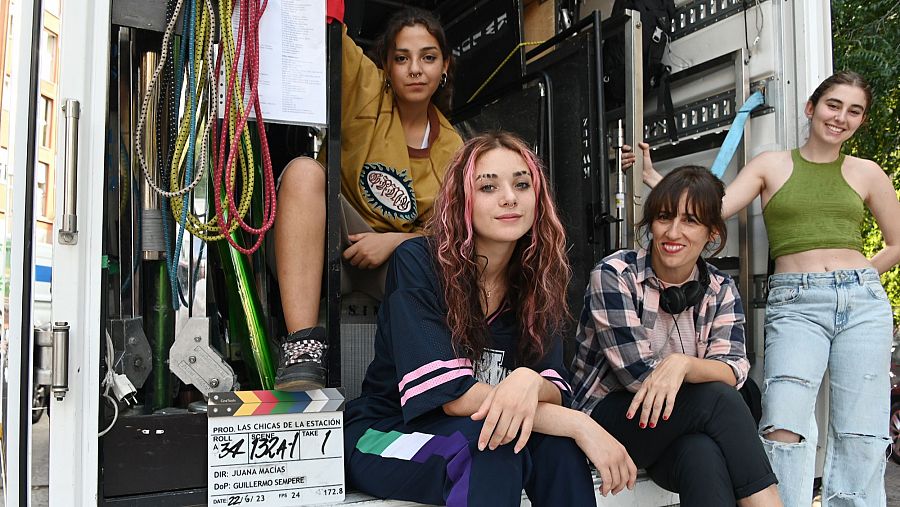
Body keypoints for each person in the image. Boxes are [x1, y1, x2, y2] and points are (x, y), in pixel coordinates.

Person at [636, 71, 900, 506]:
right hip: (796, 303)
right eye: (833, 105)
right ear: (811, 108)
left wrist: (857, 277)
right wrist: (654, 179)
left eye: (854, 111)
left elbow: (896, 243)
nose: (841, 117)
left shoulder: (867, 172)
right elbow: (708, 209)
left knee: (862, 431)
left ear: (861, 120)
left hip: (862, 302)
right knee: (783, 424)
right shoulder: (770, 165)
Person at [344, 132, 637, 505]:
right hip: (385, 432)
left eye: (521, 184)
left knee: (558, 449)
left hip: (469, 429)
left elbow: (554, 388)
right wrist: (581, 424)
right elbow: (453, 398)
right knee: (492, 447)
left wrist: (530, 381)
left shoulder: (536, 279)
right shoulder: (419, 262)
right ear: (461, 200)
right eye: (488, 187)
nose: (510, 197)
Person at [273, 7, 463, 390]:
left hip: (392, 264)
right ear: (386, 66)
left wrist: (393, 241)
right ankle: (302, 351)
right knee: (303, 172)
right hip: (329, 239)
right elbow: (328, 27)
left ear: (445, 66)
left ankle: (429, 375)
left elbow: (453, 235)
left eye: (428, 58)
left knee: (435, 255)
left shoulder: (455, 148)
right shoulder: (367, 92)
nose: (415, 69)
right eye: (402, 58)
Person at [570, 166, 783, 506]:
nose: (673, 232)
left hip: (676, 425)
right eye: (664, 217)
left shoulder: (720, 287)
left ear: (712, 232)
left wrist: (684, 365)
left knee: (702, 453)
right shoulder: (614, 274)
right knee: (719, 399)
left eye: (690, 221)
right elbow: (638, 377)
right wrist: (697, 373)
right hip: (609, 419)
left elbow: (734, 368)